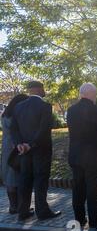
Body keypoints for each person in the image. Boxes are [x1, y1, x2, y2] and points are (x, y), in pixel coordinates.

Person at [10, 81, 61, 221]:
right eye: (43, 88)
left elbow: (13, 129)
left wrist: (20, 144)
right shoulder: (45, 106)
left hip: (23, 152)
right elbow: (44, 130)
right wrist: (30, 145)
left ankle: (23, 212)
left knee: (24, 180)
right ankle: (42, 212)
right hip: (41, 150)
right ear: (39, 89)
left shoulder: (18, 107)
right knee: (40, 180)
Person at [67, 83, 97, 228]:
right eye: (96, 94)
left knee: (78, 189)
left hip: (76, 155)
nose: (96, 96)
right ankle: (94, 220)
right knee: (93, 190)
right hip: (93, 157)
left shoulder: (71, 110)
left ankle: (79, 219)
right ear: (91, 94)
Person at [1, 94, 30, 214]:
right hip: (15, 147)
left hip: (6, 147)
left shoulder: (5, 115)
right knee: (15, 177)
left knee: (9, 177)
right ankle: (17, 207)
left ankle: (13, 206)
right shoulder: (15, 116)